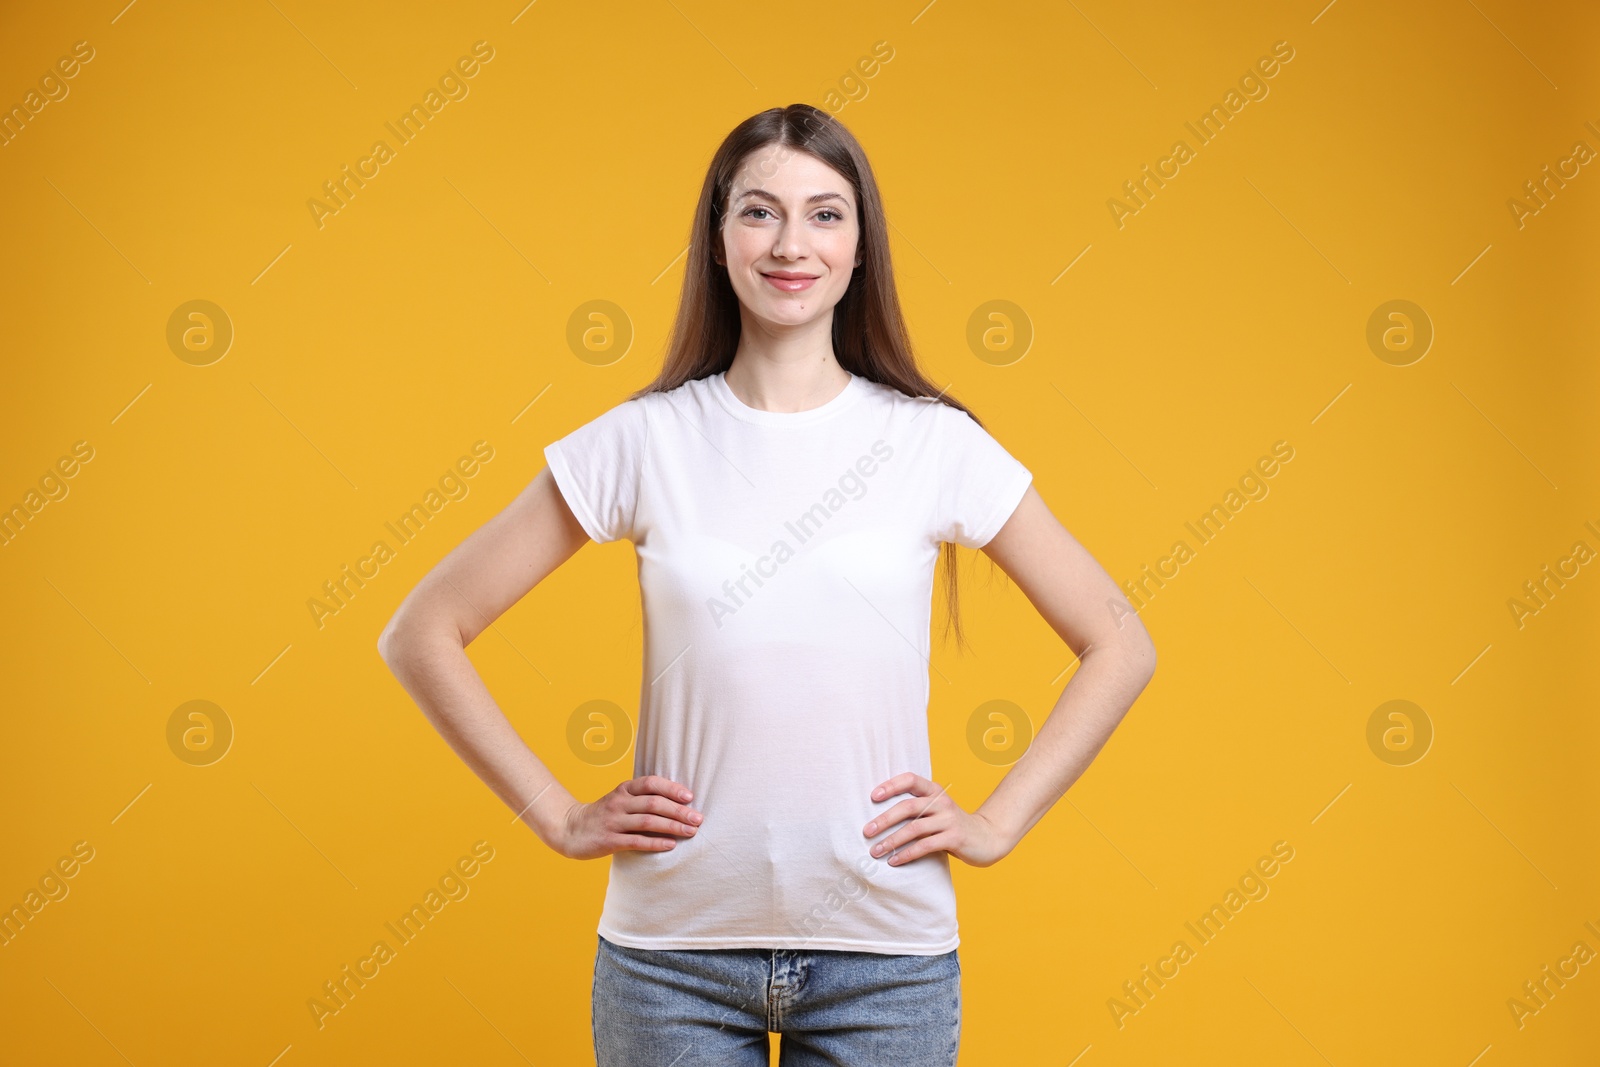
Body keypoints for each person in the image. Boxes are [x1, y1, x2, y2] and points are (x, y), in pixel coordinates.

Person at [377, 103, 1156, 1066]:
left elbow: (1119, 640)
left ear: (862, 245)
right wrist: (560, 814)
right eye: (760, 212)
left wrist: (996, 822)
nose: (793, 243)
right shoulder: (645, 439)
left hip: (887, 962)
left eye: (826, 214)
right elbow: (423, 629)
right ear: (717, 239)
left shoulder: (932, 444)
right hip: (672, 962)